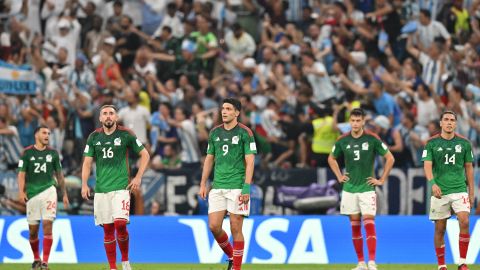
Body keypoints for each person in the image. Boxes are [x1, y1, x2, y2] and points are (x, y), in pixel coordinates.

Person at [81, 105, 150, 270]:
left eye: (111, 113)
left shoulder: (126, 134)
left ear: (116, 117)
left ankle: (125, 261)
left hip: (121, 187)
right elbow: (87, 163)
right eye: (104, 114)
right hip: (101, 190)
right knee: (108, 230)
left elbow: (145, 154)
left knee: (120, 224)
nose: (108, 116)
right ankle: (113, 267)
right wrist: (84, 184)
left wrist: (138, 177)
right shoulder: (93, 137)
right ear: (100, 118)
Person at [327, 108, 395, 270]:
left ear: (363, 121)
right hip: (349, 188)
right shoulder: (343, 140)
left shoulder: (372, 139)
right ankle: (361, 263)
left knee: (369, 222)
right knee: (355, 225)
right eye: (353, 121)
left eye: (358, 121)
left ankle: (372, 261)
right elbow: (331, 158)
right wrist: (339, 175)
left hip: (367, 188)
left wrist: (382, 179)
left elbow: (390, 158)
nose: (355, 124)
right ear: (350, 122)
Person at [198, 98, 257, 270]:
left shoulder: (245, 133)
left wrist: (246, 187)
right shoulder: (215, 133)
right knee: (214, 226)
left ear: (237, 113)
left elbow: (250, 161)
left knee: (235, 226)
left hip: (238, 186)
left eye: (228, 109)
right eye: (223, 108)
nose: (224, 111)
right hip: (218, 186)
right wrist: (203, 183)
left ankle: (236, 268)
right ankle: (232, 257)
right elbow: (209, 159)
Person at [422, 111, 474, 270]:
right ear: (441, 123)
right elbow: (427, 165)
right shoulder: (431, 143)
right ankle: (441, 265)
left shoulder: (464, 143)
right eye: (446, 120)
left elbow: (469, 168)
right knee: (440, 228)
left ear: (456, 124)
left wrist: (471, 192)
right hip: (440, 191)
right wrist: (433, 183)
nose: (449, 122)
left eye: (452, 120)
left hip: (459, 189)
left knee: (464, 220)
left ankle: (462, 262)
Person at [17, 126, 69, 270]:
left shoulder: (53, 153)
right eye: (44, 133)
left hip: (49, 191)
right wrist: (21, 192)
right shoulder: (26, 153)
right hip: (32, 194)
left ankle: (45, 262)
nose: (47, 135)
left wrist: (64, 193)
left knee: (47, 225)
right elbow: (21, 174)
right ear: (36, 135)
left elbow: (59, 175)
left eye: (48, 133)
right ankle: (36, 259)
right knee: (33, 231)